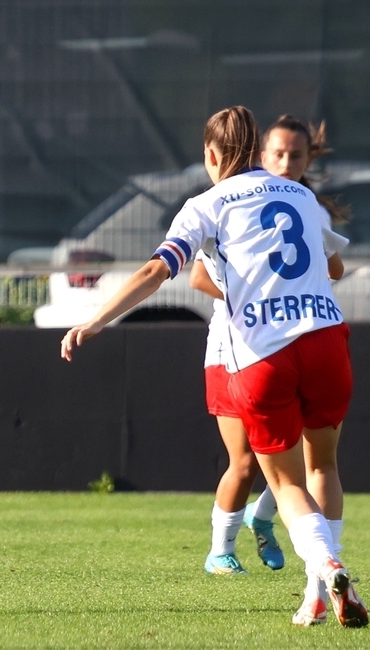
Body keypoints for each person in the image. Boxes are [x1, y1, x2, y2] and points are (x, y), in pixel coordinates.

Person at [60, 106, 366, 628]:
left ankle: (326, 565)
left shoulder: (207, 204)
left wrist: (95, 321)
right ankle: (317, 592)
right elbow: (335, 265)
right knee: (324, 467)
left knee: (287, 483)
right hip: (324, 340)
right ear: (259, 150)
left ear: (211, 155)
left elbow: (161, 268)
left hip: (263, 352)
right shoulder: (301, 195)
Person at [190, 116, 348, 581]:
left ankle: (276, 527)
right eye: (276, 153)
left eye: (295, 155)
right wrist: (262, 294)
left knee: (304, 459)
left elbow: (333, 268)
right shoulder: (227, 203)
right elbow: (198, 276)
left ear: (306, 161)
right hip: (237, 345)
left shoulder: (305, 204)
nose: (285, 162)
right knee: (247, 461)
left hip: (300, 340)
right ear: (260, 156)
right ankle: (221, 549)